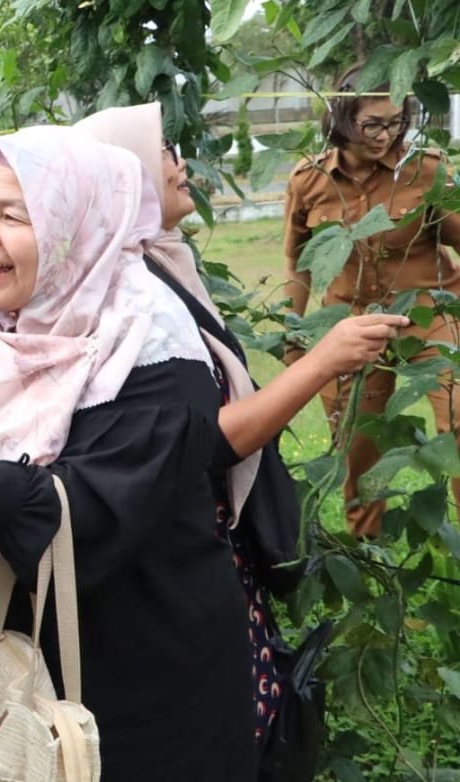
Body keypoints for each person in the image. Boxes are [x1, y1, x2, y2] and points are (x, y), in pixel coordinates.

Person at [0, 126, 260, 780]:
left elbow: (94, 516)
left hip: (142, 686)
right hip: (1, 675)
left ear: (72, 226)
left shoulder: (150, 349)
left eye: (12, 216)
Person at [76, 102, 406, 747]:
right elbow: (205, 440)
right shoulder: (133, 293)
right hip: (181, 552)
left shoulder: (162, 260)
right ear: (125, 177)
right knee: (219, 723)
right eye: (163, 151)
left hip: (202, 540)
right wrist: (322, 361)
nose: (179, 164)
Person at [283, 64, 460, 538]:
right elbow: (298, 264)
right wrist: (291, 331)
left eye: (397, 121)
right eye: (373, 124)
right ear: (342, 116)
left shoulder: (426, 170)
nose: (387, 134)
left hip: (431, 312)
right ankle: (367, 552)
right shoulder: (309, 180)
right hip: (352, 323)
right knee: (359, 449)